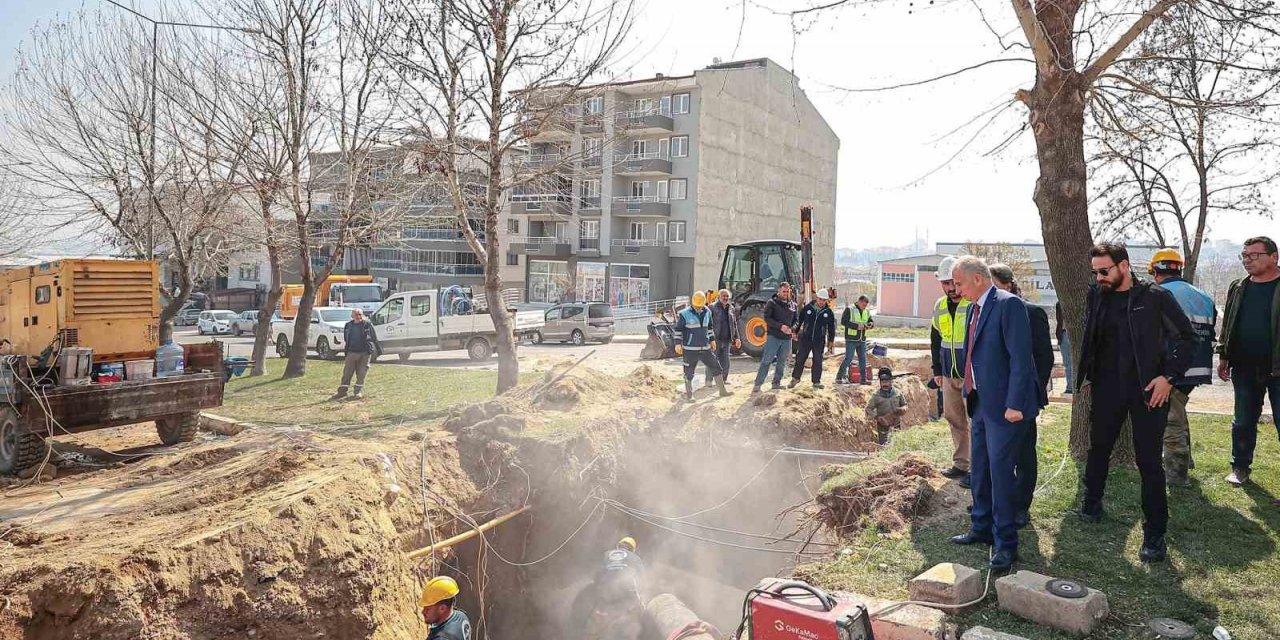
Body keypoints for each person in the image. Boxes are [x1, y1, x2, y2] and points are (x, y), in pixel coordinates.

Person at [1076, 242, 1195, 563]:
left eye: (1104, 271)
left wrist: (1168, 378)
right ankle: (1092, 502)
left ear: (1124, 266)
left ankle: (1155, 534)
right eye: (1095, 272)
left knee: (1148, 462)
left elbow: (1188, 338)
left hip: (1148, 391)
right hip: (1105, 389)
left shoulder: (1155, 298)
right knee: (1098, 448)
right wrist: (1088, 375)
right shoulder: (1096, 295)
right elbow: (1091, 337)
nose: (1099, 277)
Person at [947, 255, 1040, 572]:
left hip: (1004, 407)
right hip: (980, 401)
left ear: (977, 278)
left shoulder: (1007, 304)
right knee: (981, 468)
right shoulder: (974, 308)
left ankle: (1005, 544)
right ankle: (981, 527)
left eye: (959, 283)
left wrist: (1015, 403)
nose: (956, 289)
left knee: (1001, 473)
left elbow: (1020, 359)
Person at [989, 264, 1052, 529]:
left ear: (1007, 285)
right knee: (997, 453)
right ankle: (997, 501)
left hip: (1022, 397)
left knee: (1023, 453)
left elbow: (1043, 357)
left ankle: (1021, 506)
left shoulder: (1031, 313)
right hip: (994, 398)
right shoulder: (983, 313)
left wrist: (1030, 391)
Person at [1147, 249, 1216, 487]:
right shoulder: (1203, 296)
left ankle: (1177, 476)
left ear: (1155, 271)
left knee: (1170, 422)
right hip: (1198, 369)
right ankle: (1186, 462)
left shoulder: (1158, 294)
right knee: (1177, 412)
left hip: (1172, 368)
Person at [1217, 236, 1280, 489]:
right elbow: (1230, 322)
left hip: (1278, 369)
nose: (1247, 260)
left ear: (1274, 257)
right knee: (1243, 420)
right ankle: (1240, 467)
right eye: (1244, 255)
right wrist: (1224, 354)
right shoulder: (1238, 286)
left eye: (1254, 255)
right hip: (1243, 367)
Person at [930, 256, 973, 488]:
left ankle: (977, 469)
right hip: (948, 373)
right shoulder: (939, 306)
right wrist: (936, 369)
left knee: (975, 421)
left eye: (953, 283)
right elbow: (936, 338)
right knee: (954, 419)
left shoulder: (973, 304)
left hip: (971, 375)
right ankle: (961, 464)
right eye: (945, 283)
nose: (950, 288)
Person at [675, 291, 731, 401]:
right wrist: (677, 343)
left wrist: (712, 340)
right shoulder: (684, 314)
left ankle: (722, 391)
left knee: (716, 367)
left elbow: (709, 327)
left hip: (705, 348)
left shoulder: (707, 312)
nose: (698, 307)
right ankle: (689, 395)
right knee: (689, 372)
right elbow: (678, 330)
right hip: (690, 349)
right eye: (697, 306)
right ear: (693, 303)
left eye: (700, 306)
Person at [752, 283, 798, 394]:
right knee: (766, 361)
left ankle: (776, 383)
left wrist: (791, 329)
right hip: (774, 337)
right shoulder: (771, 303)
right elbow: (767, 318)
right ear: (779, 291)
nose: (786, 294)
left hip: (786, 339)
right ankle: (758, 384)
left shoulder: (793, 305)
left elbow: (796, 321)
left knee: (782, 362)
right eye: (784, 291)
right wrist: (780, 326)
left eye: (787, 292)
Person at [789, 288, 837, 389]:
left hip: (819, 340)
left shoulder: (828, 312)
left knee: (818, 360)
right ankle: (795, 378)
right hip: (806, 338)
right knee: (800, 358)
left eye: (824, 300)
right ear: (817, 298)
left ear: (826, 300)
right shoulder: (808, 308)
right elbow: (800, 320)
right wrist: (795, 332)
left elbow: (831, 328)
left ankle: (816, 382)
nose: (821, 302)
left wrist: (830, 342)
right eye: (820, 299)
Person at [331, 308, 380, 401]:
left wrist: (375, 350)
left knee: (361, 373)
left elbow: (374, 337)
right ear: (352, 316)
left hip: (365, 353)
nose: (358, 316)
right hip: (352, 352)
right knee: (347, 373)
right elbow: (346, 338)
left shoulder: (367, 325)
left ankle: (358, 392)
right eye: (356, 314)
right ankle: (342, 392)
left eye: (360, 314)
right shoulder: (348, 325)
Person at [706, 289, 742, 389]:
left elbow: (734, 324)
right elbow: (707, 324)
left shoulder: (731, 308)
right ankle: (708, 380)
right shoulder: (712, 307)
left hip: (727, 340)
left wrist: (737, 338)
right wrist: (710, 339)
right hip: (715, 339)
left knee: (725, 361)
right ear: (719, 297)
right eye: (723, 296)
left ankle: (723, 380)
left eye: (727, 296)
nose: (725, 298)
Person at [837, 295, 875, 385]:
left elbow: (871, 321)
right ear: (859, 301)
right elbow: (843, 321)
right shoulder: (850, 309)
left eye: (866, 306)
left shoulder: (866, 311)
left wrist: (870, 325)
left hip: (862, 339)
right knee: (848, 358)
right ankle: (839, 377)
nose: (864, 307)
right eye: (863, 305)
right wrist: (856, 326)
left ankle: (863, 379)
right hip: (851, 338)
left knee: (862, 359)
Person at [866, 367, 907, 445]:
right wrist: (877, 417)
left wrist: (903, 409)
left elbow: (904, 404)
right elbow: (868, 408)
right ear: (880, 383)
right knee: (884, 445)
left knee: (897, 444)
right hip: (883, 425)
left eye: (887, 382)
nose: (885, 384)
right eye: (883, 382)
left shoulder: (898, 393)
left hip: (896, 425)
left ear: (891, 382)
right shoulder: (876, 396)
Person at [1055, 301, 1074, 395]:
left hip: (1072, 334)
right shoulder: (1059, 304)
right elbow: (1059, 321)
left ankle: (1073, 387)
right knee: (1067, 363)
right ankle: (1070, 387)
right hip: (1064, 334)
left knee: (1072, 363)